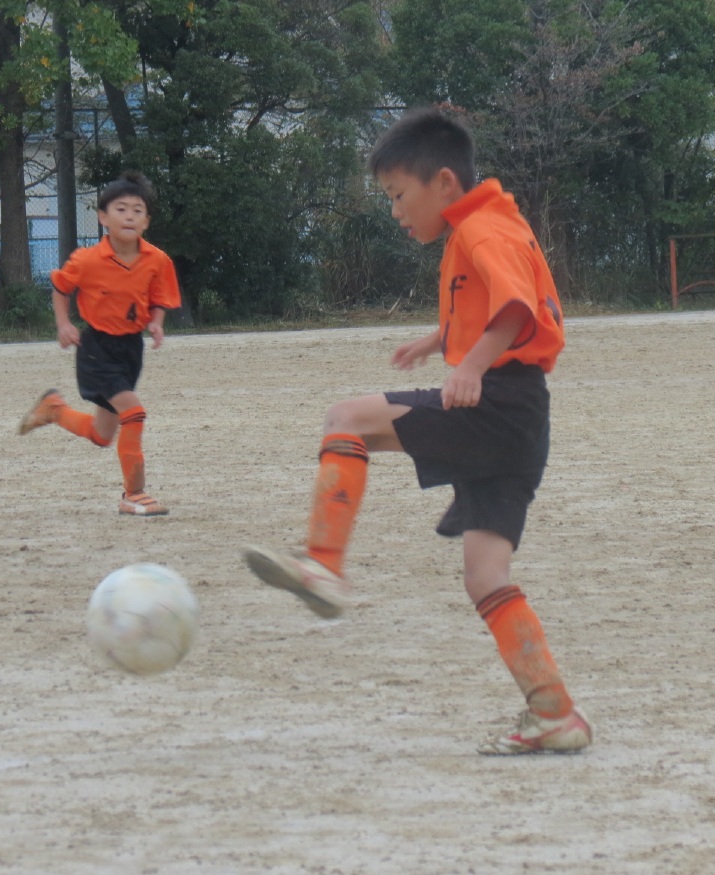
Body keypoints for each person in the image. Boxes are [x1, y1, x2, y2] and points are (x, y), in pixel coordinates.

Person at [243, 108, 591, 755]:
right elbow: (503, 302)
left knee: (346, 418)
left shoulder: (482, 228)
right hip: (521, 420)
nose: (395, 211)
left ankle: (323, 567)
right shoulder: (492, 222)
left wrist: (472, 365)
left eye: (399, 195)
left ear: (445, 184)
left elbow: (518, 311)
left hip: (496, 404)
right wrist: (441, 340)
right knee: (486, 577)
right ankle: (555, 713)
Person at [19, 171, 181, 516]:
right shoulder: (87, 259)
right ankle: (134, 494)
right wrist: (64, 323)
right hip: (96, 349)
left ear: (147, 221)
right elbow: (61, 288)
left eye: (137, 211)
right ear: (103, 217)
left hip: (130, 349)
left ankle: (53, 410)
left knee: (101, 435)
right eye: (121, 209)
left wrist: (156, 322)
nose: (129, 216)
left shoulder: (157, 260)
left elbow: (159, 299)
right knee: (134, 413)